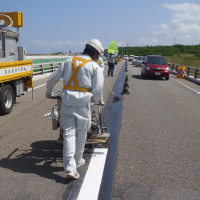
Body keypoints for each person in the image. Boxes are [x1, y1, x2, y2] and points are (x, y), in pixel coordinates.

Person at [46, 39, 104, 179]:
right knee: (82, 132)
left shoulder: (68, 62)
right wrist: (99, 100)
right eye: (98, 55)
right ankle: (78, 161)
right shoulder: (94, 66)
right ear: (95, 53)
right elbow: (98, 88)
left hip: (67, 101)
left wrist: (49, 92)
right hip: (84, 104)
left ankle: (70, 169)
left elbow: (53, 78)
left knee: (68, 135)